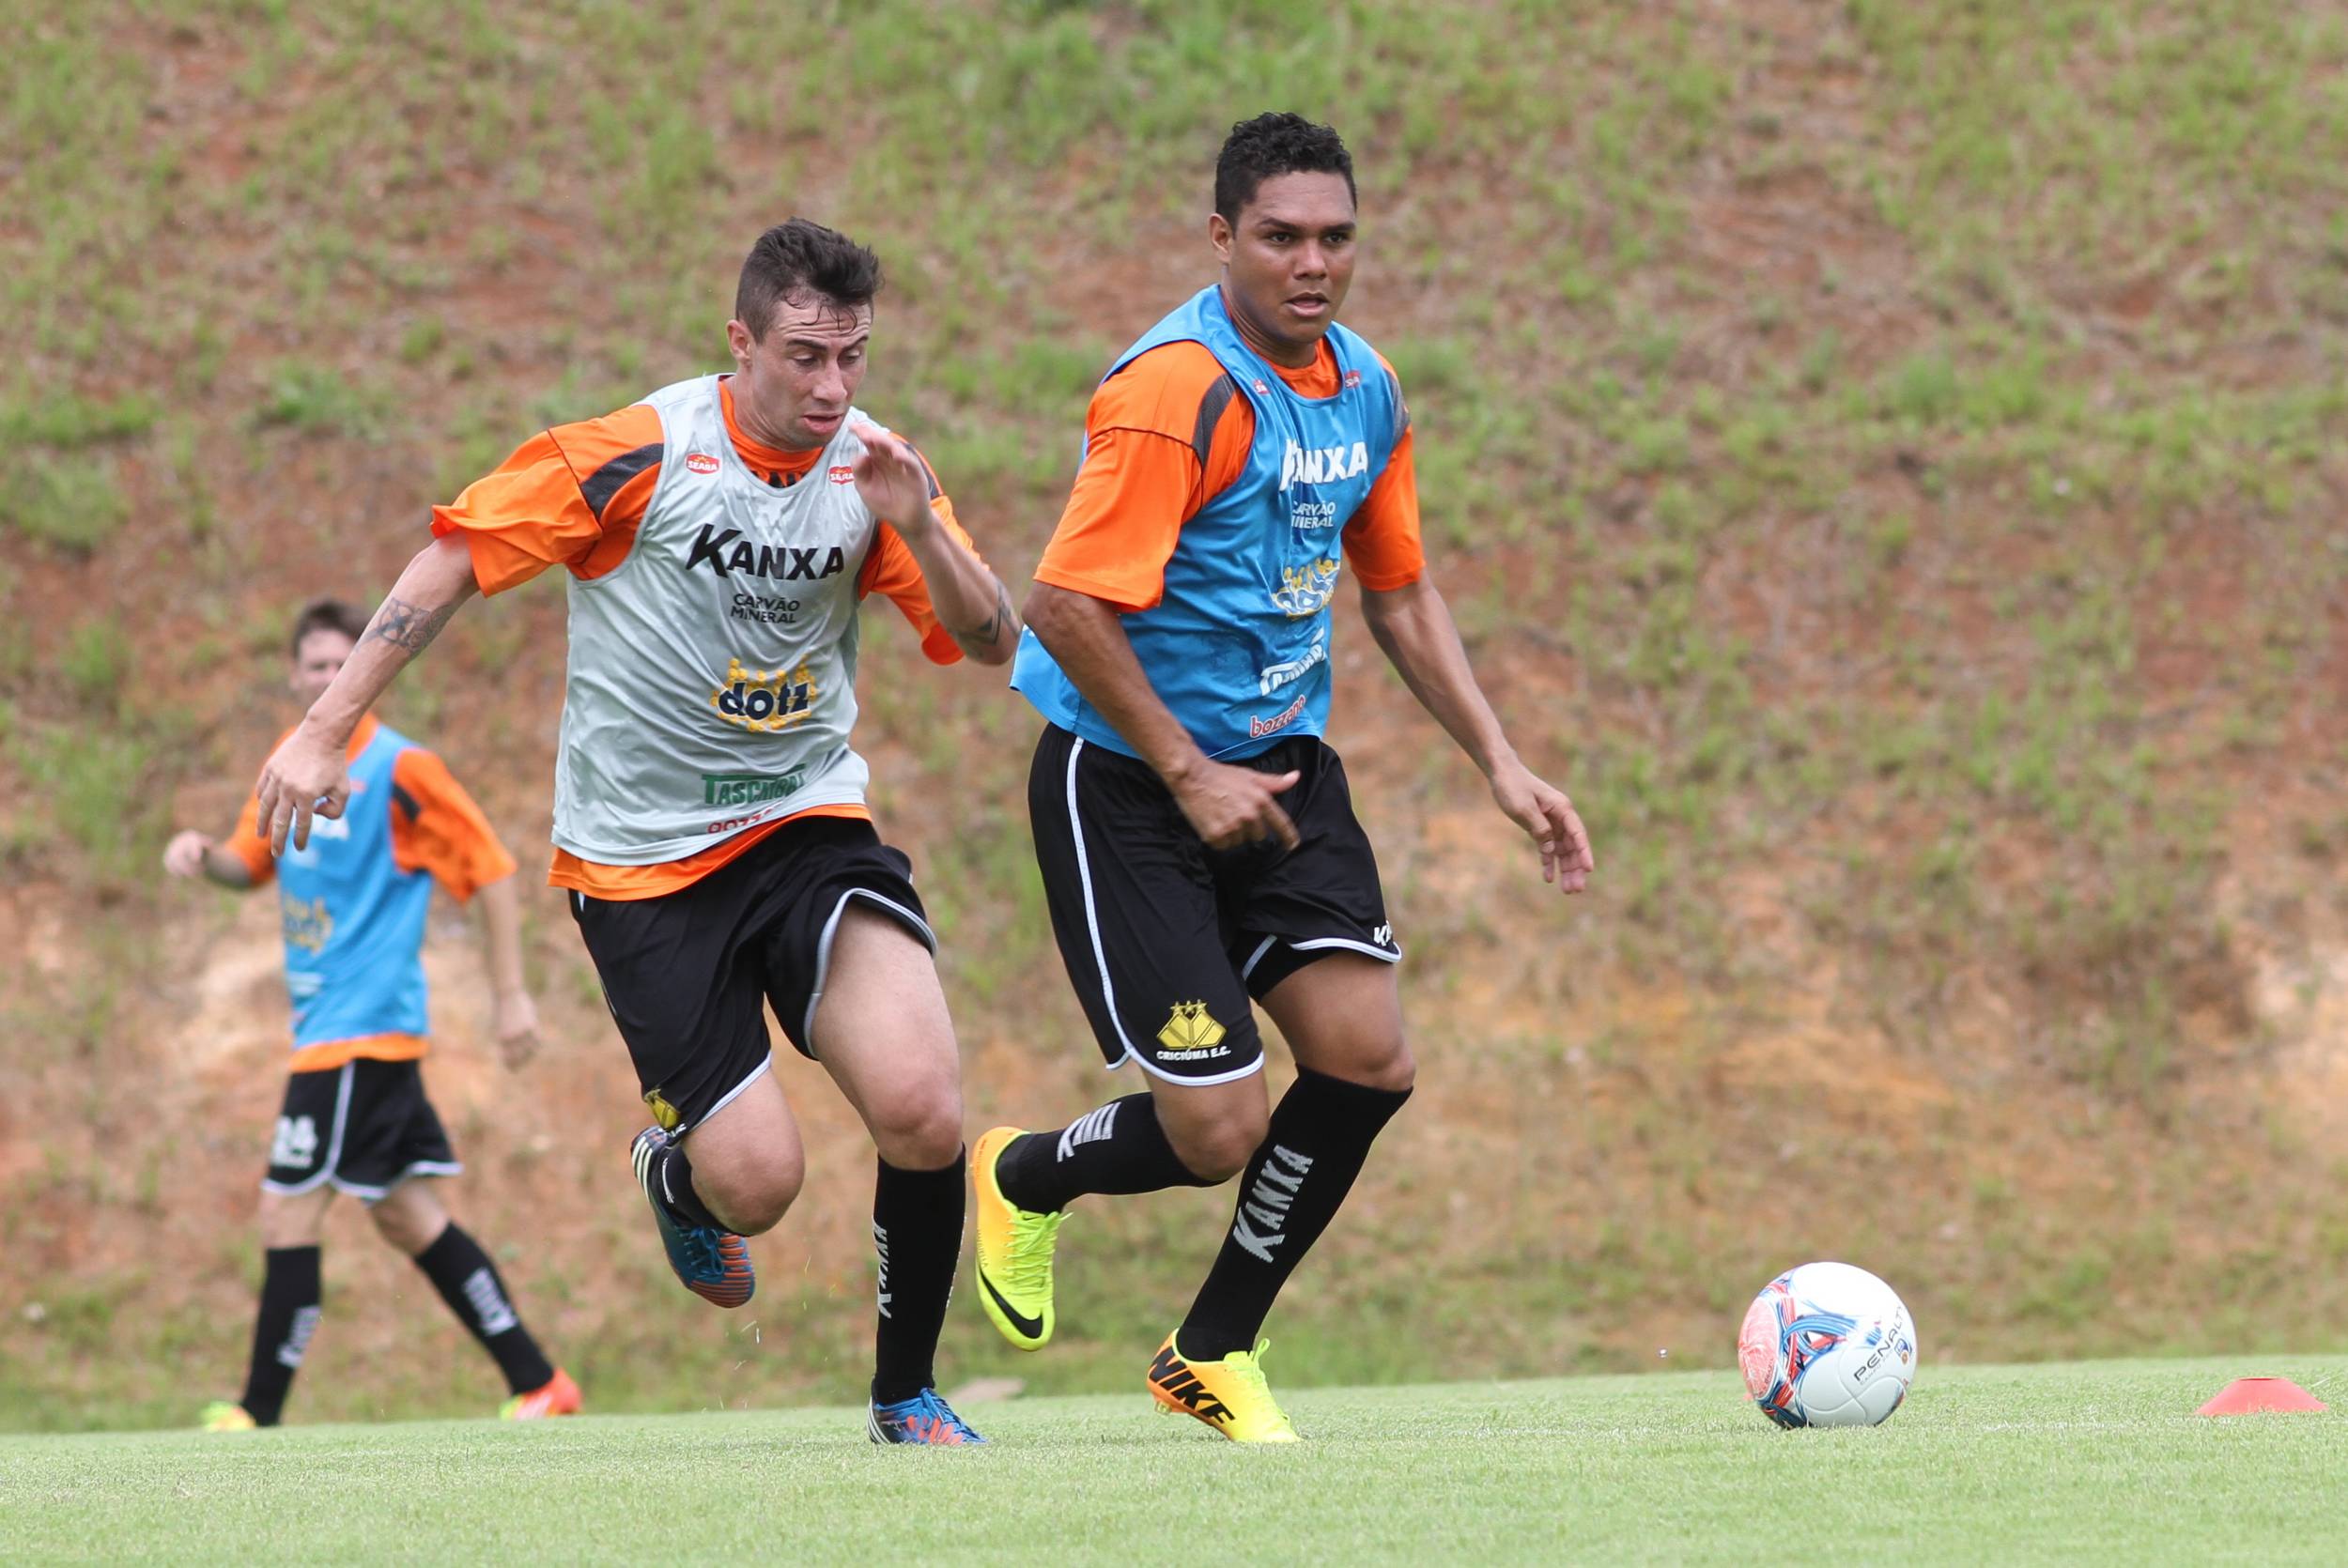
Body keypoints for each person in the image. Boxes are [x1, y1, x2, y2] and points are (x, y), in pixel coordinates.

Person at [251, 219, 1020, 1445]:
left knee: (925, 1104)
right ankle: (677, 1174)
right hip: (640, 866)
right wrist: (328, 728)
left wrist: (920, 526)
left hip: (806, 819)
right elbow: (455, 556)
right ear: (740, 343)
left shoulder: (877, 474)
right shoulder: (638, 454)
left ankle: (904, 1395)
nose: (833, 388)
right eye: (806, 357)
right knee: (758, 1186)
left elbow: (990, 642)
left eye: (855, 359)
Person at [972, 113, 1598, 1442]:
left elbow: (1402, 590)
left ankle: (1212, 1350)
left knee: (1368, 1060)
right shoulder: (1172, 390)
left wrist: (1502, 759)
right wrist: (1189, 769)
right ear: (1223, 238)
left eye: (1335, 237)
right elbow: (1066, 603)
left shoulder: (1364, 385)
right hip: (1128, 782)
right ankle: (1025, 1176)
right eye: (1281, 237)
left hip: (1283, 775)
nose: (1312, 263)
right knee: (1214, 1135)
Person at [167, 598, 577, 1430]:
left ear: (367, 668)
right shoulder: (286, 764)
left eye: (339, 662)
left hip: (362, 1033)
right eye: (313, 665)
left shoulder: (402, 769)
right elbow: (248, 864)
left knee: (290, 1206)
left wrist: (510, 995)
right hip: (327, 1033)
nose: (327, 677)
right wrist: (201, 855)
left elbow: (493, 869)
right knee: (406, 1215)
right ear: (295, 676)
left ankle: (257, 1413)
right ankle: (539, 1382)